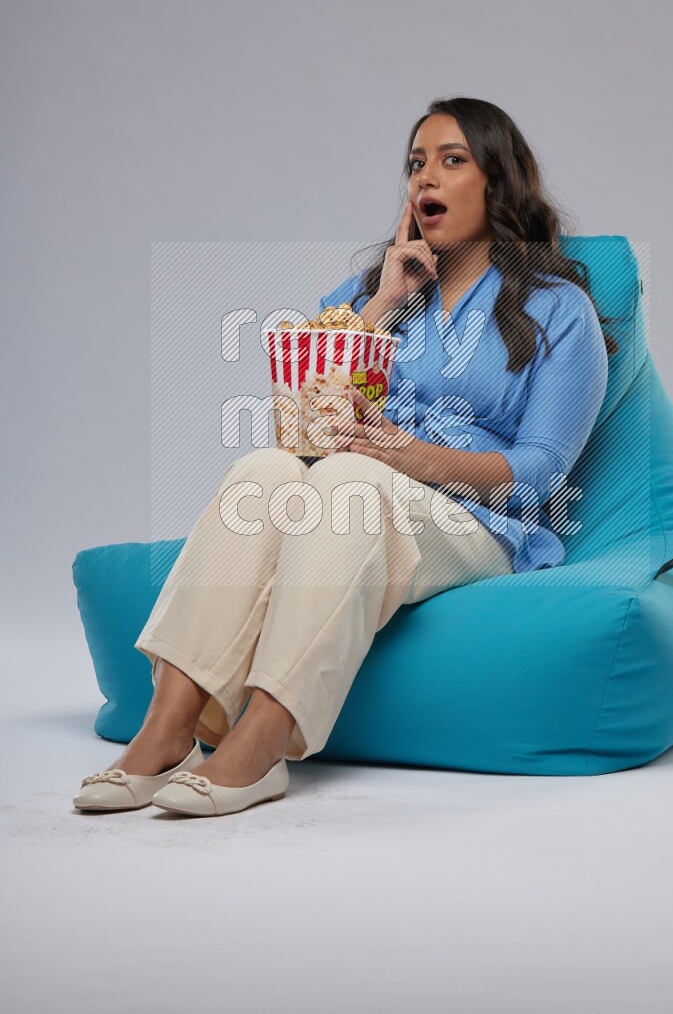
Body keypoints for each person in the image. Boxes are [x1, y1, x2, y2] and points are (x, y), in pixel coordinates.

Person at [73, 96, 617, 818]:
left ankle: (263, 740)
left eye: (452, 160)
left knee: (350, 479)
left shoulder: (557, 308)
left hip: (481, 522)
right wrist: (386, 302)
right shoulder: (370, 294)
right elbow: (302, 418)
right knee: (261, 472)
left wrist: (416, 458)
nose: (426, 179)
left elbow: (543, 470)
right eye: (416, 164)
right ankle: (168, 726)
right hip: (351, 487)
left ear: (498, 181)